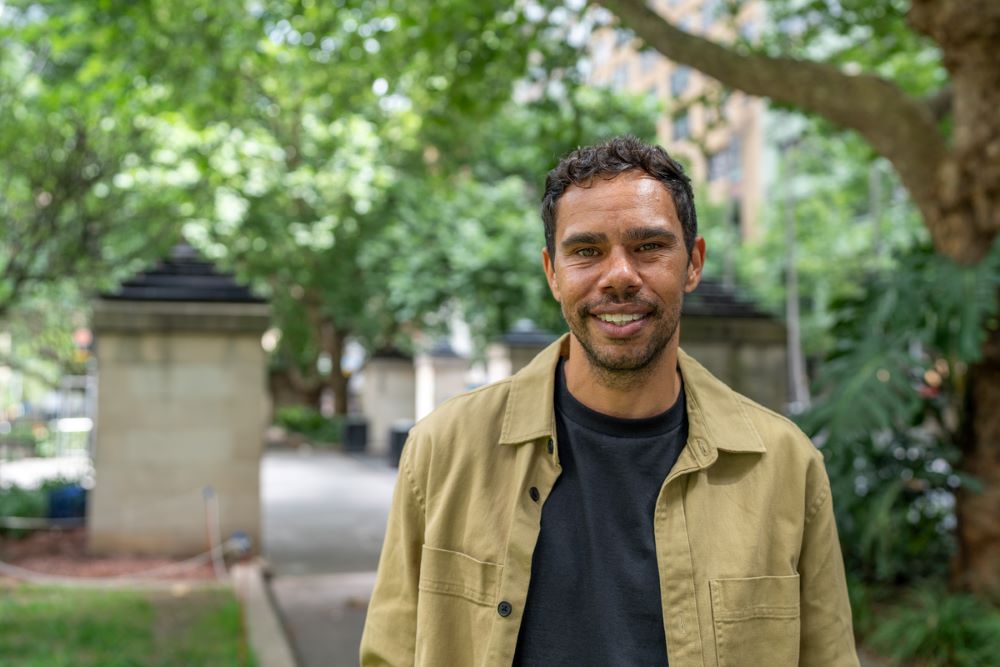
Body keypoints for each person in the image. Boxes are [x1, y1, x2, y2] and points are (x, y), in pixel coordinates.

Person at [360, 136, 859, 666]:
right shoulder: (444, 450)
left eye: (648, 246)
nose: (619, 275)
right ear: (553, 273)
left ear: (693, 263)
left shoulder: (785, 465)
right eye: (586, 251)